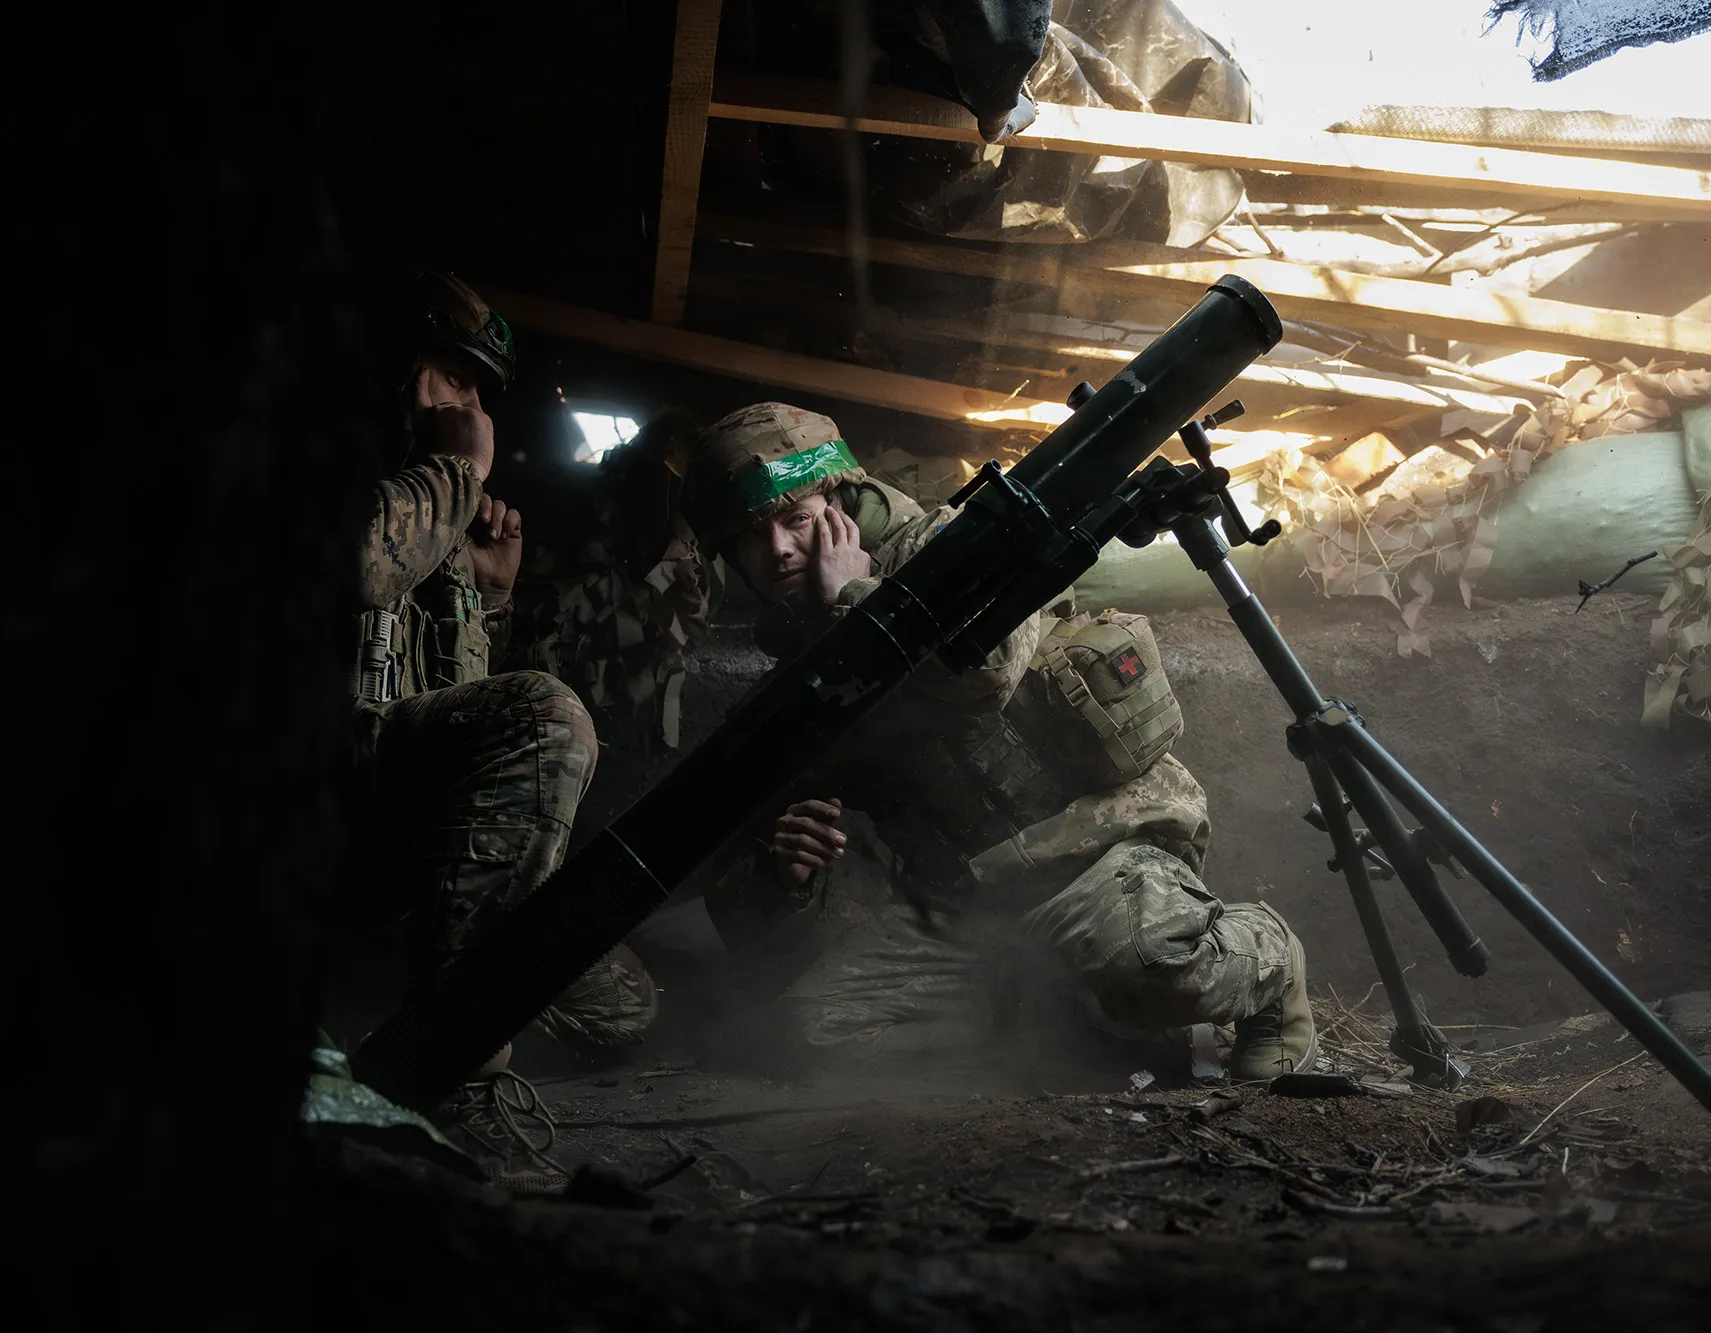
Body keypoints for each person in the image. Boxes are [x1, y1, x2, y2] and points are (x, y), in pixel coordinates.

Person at [680, 401, 1317, 1079]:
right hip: (969, 903)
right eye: (751, 537)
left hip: (1086, 849)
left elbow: (986, 672)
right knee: (807, 1035)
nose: (777, 549)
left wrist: (856, 599)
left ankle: (1271, 958)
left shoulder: (947, 547)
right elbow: (753, 879)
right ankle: (1062, 1022)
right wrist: (787, 875)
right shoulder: (796, 664)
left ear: (840, 503)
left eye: (796, 520)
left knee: (1154, 971)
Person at [347, 271, 651, 1191]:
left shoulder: (425, 507)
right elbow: (354, 571)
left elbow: (455, 722)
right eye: (455, 376)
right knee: (549, 712)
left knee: (618, 1002)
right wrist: (458, 471)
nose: (474, 408)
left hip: (382, 813)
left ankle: (387, 1013)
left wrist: (486, 593)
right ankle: (445, 1072)